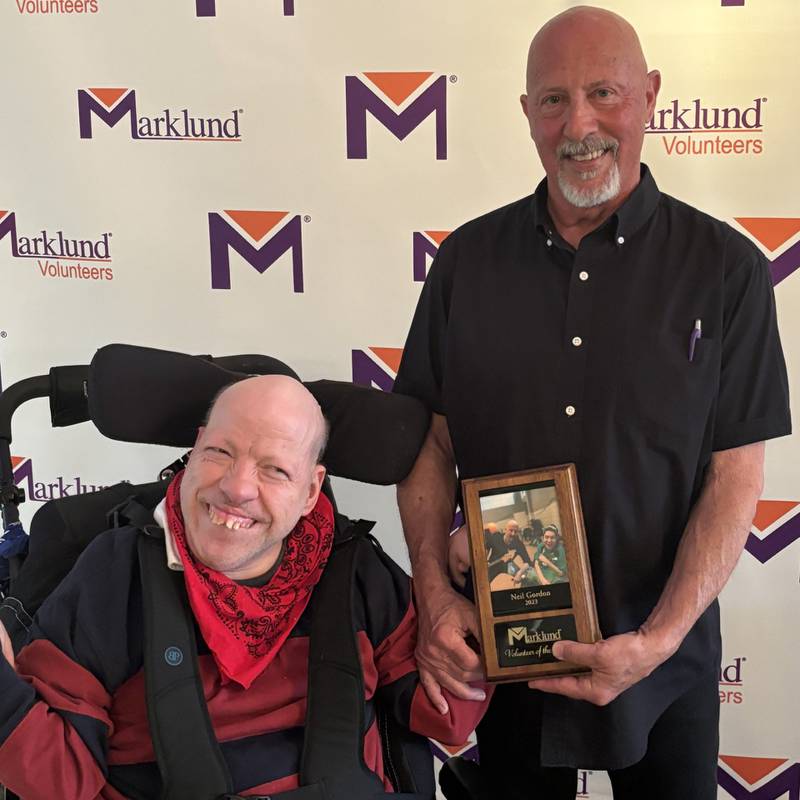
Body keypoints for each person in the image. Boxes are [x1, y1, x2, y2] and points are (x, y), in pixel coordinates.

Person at [394, 6, 790, 799]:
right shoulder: (466, 262)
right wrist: (434, 594)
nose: (579, 124)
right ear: (527, 114)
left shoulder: (726, 269)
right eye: (552, 100)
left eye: (604, 93)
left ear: (649, 96)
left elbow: (735, 473)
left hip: (662, 657)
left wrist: (658, 639)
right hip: (499, 652)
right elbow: (427, 446)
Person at [0, 375, 490, 799]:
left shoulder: (355, 568)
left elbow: (447, 714)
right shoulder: (112, 574)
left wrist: (485, 590)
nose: (237, 487)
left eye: (274, 469)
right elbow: (55, 778)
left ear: (311, 491)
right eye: (219, 452)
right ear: (194, 450)